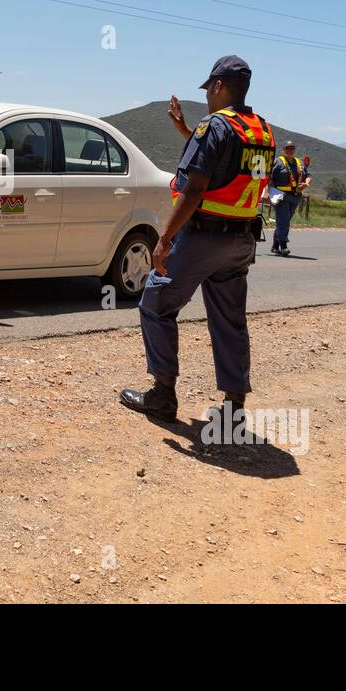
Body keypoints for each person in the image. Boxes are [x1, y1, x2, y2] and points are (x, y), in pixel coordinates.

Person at [119, 56, 275, 425]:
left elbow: (195, 188)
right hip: (241, 241)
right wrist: (186, 132)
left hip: (204, 236)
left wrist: (165, 239)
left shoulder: (216, 126)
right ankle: (234, 406)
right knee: (229, 319)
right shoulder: (260, 131)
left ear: (219, 86)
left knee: (156, 302)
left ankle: (162, 396)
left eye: (209, 90)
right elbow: (228, 167)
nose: (208, 97)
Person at [269, 141, 311, 255]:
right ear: (283, 149)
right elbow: (269, 177)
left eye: (292, 148)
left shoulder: (299, 162)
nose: (290, 150)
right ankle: (283, 246)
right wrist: (270, 191)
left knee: (285, 221)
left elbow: (308, 175)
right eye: (287, 148)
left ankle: (275, 245)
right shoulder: (278, 162)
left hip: (296, 196)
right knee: (284, 222)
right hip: (281, 196)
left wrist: (306, 184)